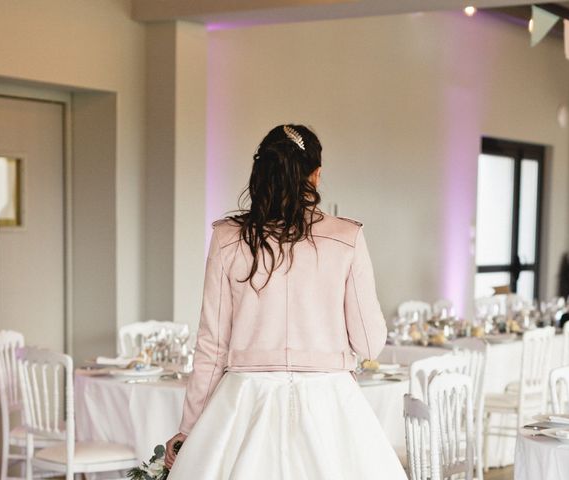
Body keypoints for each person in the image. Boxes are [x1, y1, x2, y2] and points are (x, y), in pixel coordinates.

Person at [165, 124, 406, 479]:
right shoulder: (347, 237)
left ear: (261, 172)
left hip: (245, 399)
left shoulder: (227, 238)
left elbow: (212, 345)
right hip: (329, 401)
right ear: (316, 175)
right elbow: (369, 344)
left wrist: (190, 429)